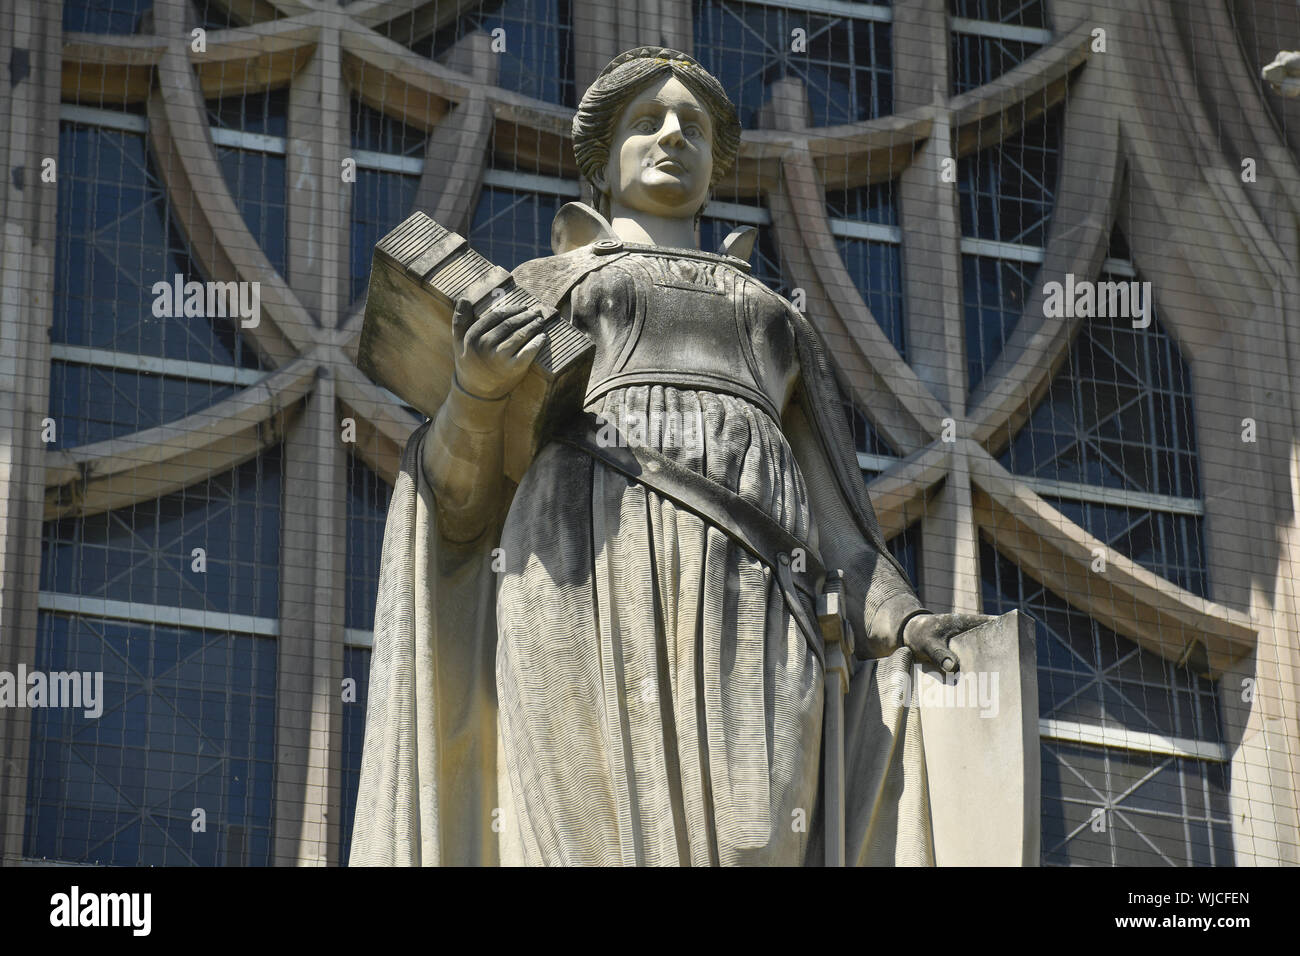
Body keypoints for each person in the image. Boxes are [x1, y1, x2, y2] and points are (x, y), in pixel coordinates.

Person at [351, 47, 991, 866]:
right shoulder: (544, 284)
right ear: (603, 165)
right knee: (588, 836)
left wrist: (905, 618)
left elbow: (839, 533)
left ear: (715, 166)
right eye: (646, 123)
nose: (670, 136)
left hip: (751, 576)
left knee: (754, 832)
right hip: (577, 558)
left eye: (691, 127)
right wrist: (475, 392)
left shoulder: (771, 315)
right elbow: (458, 503)